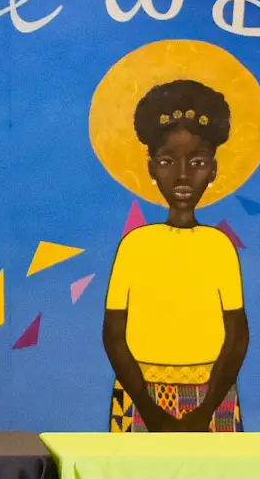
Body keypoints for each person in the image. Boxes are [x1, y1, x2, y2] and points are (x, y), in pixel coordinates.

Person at [101, 79, 249, 432]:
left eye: (197, 162)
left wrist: (206, 409)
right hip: (138, 396)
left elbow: (236, 335)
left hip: (211, 395)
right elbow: (113, 334)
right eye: (168, 161)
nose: (183, 175)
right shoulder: (135, 245)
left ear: (213, 170)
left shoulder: (219, 247)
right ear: (152, 168)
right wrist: (149, 410)